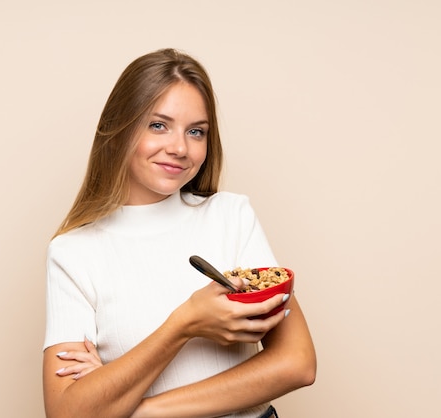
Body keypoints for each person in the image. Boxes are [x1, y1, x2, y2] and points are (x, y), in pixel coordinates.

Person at [42, 48, 316, 418]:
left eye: (196, 131)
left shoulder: (230, 216)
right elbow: (68, 414)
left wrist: (135, 409)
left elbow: (296, 363)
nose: (179, 148)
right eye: (158, 125)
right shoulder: (73, 252)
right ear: (120, 128)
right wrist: (183, 325)